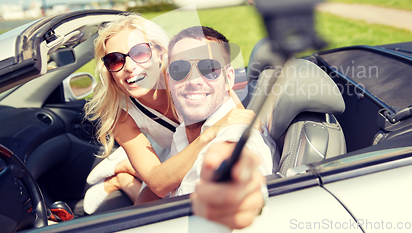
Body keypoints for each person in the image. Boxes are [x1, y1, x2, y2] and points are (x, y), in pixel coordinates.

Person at [83, 14, 262, 222]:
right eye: (115, 60)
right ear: (109, 71)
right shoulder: (121, 115)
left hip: (179, 151)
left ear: (160, 53)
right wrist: (210, 134)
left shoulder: (184, 75)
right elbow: (158, 183)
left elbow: (240, 120)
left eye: (140, 53)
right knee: (143, 212)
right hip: (165, 153)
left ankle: (126, 172)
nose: (130, 67)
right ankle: (121, 175)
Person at [137, 26, 274, 204]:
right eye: (180, 69)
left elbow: (238, 179)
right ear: (169, 79)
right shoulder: (182, 134)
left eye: (209, 68)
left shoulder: (236, 137)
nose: (194, 81)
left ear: (229, 78)